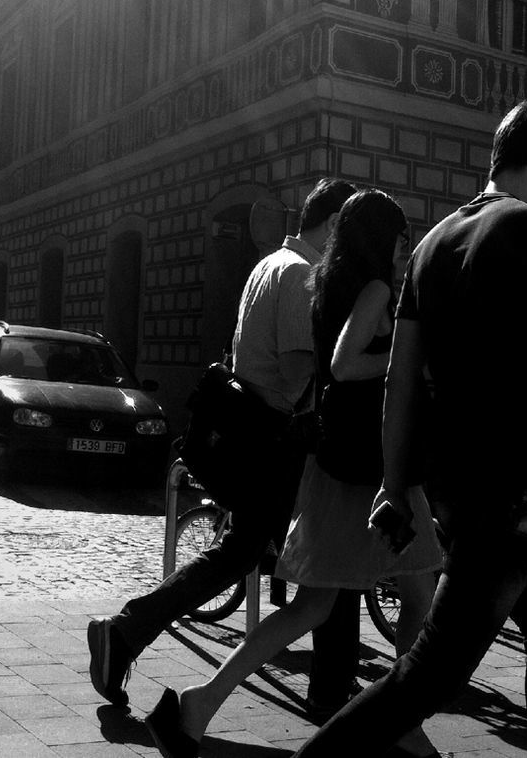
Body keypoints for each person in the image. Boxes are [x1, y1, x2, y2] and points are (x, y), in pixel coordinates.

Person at [294, 101, 527, 758]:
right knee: (429, 673)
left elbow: (399, 384)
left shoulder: (432, 244)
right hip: (506, 489)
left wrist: (397, 483)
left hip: (456, 488)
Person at [145, 189, 443, 757]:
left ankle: (200, 704)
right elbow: (344, 362)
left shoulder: (332, 285)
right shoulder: (377, 289)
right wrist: (407, 357)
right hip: (371, 475)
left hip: (344, 467)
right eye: (402, 239)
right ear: (382, 240)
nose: (406, 250)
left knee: (323, 605)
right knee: (417, 598)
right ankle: (403, 723)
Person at [87, 177, 360, 716]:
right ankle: (331, 695)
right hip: (277, 444)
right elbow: (297, 371)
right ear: (330, 227)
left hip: (255, 438)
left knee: (247, 557)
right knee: (333, 562)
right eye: (346, 235)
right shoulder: (302, 274)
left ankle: (126, 632)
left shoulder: (269, 264)